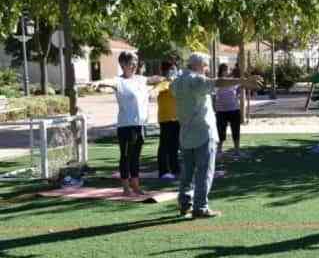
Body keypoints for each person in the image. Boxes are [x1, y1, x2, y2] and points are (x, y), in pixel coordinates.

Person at [171, 53, 262, 218]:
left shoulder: (177, 81)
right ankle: (200, 207)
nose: (207, 69)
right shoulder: (196, 80)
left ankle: (185, 203)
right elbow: (217, 82)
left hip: (185, 132)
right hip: (203, 132)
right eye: (205, 66)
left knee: (187, 172)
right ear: (199, 65)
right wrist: (242, 80)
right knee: (204, 171)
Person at [94, 51, 164, 195]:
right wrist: (99, 83)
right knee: (125, 157)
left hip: (140, 125)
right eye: (131, 63)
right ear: (123, 64)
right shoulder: (119, 81)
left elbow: (155, 79)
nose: (134, 65)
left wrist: (166, 77)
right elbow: (108, 81)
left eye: (135, 62)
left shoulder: (140, 79)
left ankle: (136, 185)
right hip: (125, 126)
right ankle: (126, 188)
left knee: (136, 157)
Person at [155, 60, 180, 179]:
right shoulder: (162, 82)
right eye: (172, 69)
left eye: (174, 68)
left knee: (174, 146)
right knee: (164, 146)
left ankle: (175, 169)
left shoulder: (175, 82)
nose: (174, 71)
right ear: (165, 71)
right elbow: (158, 89)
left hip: (176, 118)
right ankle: (163, 171)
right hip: (165, 118)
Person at [214, 63, 242, 156]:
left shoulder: (233, 81)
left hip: (234, 109)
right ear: (220, 71)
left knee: (235, 130)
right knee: (220, 131)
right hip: (221, 110)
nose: (226, 72)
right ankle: (219, 150)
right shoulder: (217, 81)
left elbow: (239, 90)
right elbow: (214, 94)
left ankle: (237, 150)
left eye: (227, 70)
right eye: (224, 70)